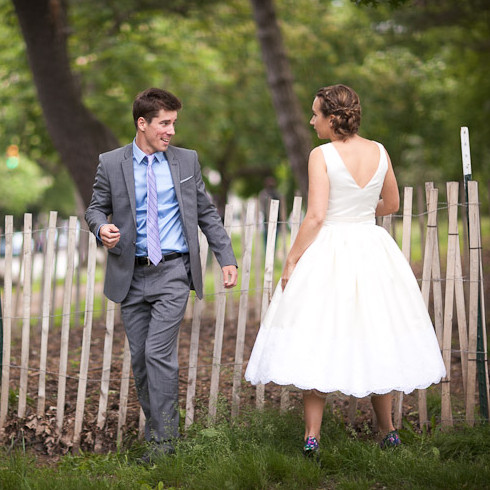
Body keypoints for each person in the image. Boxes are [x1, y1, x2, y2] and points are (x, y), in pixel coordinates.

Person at [245, 84, 446, 457]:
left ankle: (312, 437)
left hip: (330, 250)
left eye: (315, 113)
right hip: (372, 249)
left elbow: (317, 216)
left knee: (316, 333)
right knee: (377, 332)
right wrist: (359, 215)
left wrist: (291, 260)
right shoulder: (380, 151)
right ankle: (388, 432)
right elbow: (392, 203)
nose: (310, 120)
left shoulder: (321, 155)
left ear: (332, 118)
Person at [85, 88, 238, 462]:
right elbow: (95, 208)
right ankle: (161, 435)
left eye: (173, 123)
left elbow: (206, 212)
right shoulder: (111, 162)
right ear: (142, 123)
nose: (171, 131)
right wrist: (100, 229)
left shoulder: (186, 161)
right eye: (164, 123)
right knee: (141, 360)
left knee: (157, 353)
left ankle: (164, 443)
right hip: (130, 275)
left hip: (172, 271)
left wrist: (226, 256)